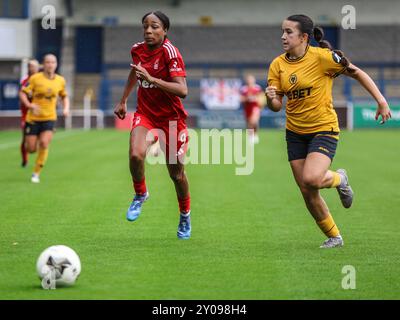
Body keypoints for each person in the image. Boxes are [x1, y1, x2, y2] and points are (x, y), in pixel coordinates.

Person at [266, 14, 391, 248]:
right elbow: (275, 107)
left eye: (288, 32)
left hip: (323, 128)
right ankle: (335, 236)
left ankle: (340, 178)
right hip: (294, 133)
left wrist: (381, 101)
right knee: (306, 190)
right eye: (282, 31)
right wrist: (271, 98)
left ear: (304, 37)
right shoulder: (277, 65)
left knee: (311, 178)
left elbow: (357, 72)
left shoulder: (323, 58)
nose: (283, 36)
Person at [113, 11, 191, 239]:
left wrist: (152, 79)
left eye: (154, 26)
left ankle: (185, 214)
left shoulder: (171, 53)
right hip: (146, 114)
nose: (148, 31)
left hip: (172, 120)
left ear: (165, 30)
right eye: (145, 26)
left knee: (176, 175)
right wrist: (123, 99)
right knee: (136, 155)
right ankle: (140, 194)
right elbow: (134, 72)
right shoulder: (137, 49)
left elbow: (183, 90)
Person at [19, 54, 70, 183]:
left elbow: (64, 96)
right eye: (47, 62)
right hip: (33, 118)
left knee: (44, 143)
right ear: (43, 64)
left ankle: (36, 173)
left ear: (56, 64)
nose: (50, 65)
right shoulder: (35, 78)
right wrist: (29, 105)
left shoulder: (60, 80)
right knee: (31, 149)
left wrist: (65, 108)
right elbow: (22, 92)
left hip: (49, 118)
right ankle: (33, 140)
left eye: (53, 62)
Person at [19, 59, 40, 167]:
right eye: (31, 66)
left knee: (41, 140)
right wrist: (28, 104)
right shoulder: (26, 80)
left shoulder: (42, 79)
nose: (33, 68)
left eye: (35, 66)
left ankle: (40, 160)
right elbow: (22, 94)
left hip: (40, 114)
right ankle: (25, 159)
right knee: (25, 138)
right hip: (27, 114)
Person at [240, 74, 263, 144]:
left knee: (254, 121)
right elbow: (241, 99)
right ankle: (251, 136)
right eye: (248, 79)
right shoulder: (244, 89)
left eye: (251, 79)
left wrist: (256, 99)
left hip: (255, 107)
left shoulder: (257, 88)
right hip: (247, 107)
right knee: (248, 123)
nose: (250, 81)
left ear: (254, 80)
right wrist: (247, 99)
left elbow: (261, 98)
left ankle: (255, 134)